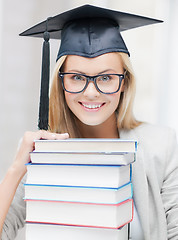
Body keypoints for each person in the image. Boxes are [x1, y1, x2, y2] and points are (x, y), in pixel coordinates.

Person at [0, 4, 178, 240]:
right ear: (60, 84)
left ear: (124, 82)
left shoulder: (162, 147)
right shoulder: (43, 156)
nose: (91, 92)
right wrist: (15, 170)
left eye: (105, 77)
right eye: (76, 77)